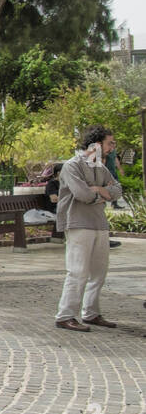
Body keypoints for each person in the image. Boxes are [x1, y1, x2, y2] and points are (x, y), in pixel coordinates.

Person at [55, 126, 121, 331]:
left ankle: (91, 313)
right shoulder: (72, 166)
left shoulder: (101, 168)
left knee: (99, 272)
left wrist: (100, 190)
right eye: (110, 143)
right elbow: (82, 194)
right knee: (77, 272)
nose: (113, 147)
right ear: (96, 144)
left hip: (99, 224)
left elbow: (118, 190)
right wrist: (103, 196)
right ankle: (65, 315)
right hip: (77, 222)